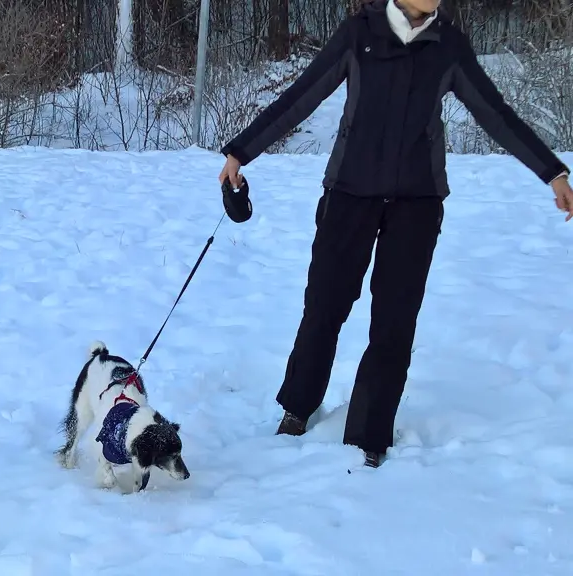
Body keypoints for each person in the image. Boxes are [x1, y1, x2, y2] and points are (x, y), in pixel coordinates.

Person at [217, 0, 572, 468]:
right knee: (324, 305)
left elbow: (495, 113)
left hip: (417, 203)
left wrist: (551, 172)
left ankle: (369, 433)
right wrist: (241, 151)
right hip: (349, 194)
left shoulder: (447, 45)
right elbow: (302, 95)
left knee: (395, 320)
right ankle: (298, 406)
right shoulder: (358, 33)